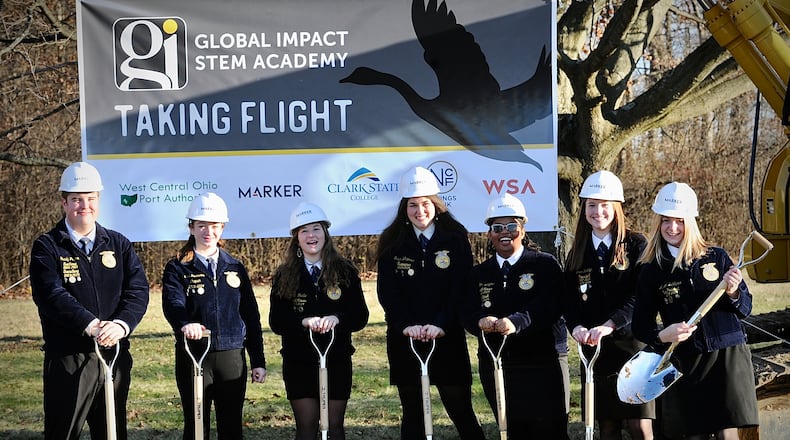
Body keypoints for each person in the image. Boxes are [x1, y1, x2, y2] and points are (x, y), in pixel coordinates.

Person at [29, 161, 149, 440]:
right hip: (69, 358)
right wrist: (91, 325)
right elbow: (51, 294)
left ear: (98, 200)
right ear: (64, 202)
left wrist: (120, 325)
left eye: (90, 198)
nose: (84, 205)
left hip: (113, 355)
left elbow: (138, 290)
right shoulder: (47, 246)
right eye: (76, 199)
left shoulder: (118, 243)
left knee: (112, 432)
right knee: (63, 432)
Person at [632, 182, 758, 440]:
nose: (672, 228)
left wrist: (734, 292)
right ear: (658, 222)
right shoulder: (651, 270)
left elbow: (745, 308)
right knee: (693, 434)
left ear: (690, 221)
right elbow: (640, 326)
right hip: (685, 360)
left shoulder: (717, 257)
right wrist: (664, 335)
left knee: (727, 433)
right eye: (666, 220)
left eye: (679, 221)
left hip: (727, 357)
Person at [376, 166, 486, 440]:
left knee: (461, 409)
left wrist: (441, 324)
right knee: (413, 413)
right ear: (404, 208)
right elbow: (388, 293)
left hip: (447, 337)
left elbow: (461, 289)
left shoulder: (455, 238)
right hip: (405, 339)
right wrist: (406, 325)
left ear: (436, 205)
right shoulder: (392, 242)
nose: (419, 211)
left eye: (425, 203)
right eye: (413, 205)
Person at [464, 193, 570, 439]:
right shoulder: (479, 273)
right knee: (513, 431)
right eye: (497, 227)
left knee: (551, 430)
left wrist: (517, 322)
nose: (505, 232)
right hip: (498, 362)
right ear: (489, 233)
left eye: (511, 226)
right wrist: (480, 320)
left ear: (522, 230)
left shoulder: (545, 264)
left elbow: (551, 305)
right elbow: (466, 310)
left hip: (543, 361)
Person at [162, 192, 266, 440]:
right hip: (194, 355)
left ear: (222, 228)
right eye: (202, 226)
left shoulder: (235, 267)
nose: (208, 232)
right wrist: (185, 324)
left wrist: (258, 360)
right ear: (191, 228)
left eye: (214, 226)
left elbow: (250, 315)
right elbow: (173, 304)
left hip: (232, 356)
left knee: (231, 427)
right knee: (197, 426)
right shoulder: (177, 267)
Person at [562, 170, 655, 440]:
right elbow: (569, 301)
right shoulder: (577, 250)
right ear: (584, 209)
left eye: (605, 205)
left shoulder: (636, 244)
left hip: (633, 346)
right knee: (608, 427)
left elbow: (641, 296)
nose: (598, 212)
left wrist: (611, 324)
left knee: (639, 426)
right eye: (592, 205)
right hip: (595, 351)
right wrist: (576, 327)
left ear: (616, 208)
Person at [269, 202, 369, 440]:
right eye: (304, 231)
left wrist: (337, 318)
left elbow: (360, 316)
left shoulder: (345, 271)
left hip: (336, 359)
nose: (311, 235)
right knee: (307, 427)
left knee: (334, 426)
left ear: (326, 233)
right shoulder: (284, 275)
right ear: (296, 238)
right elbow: (277, 321)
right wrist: (304, 322)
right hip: (298, 362)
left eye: (316, 229)